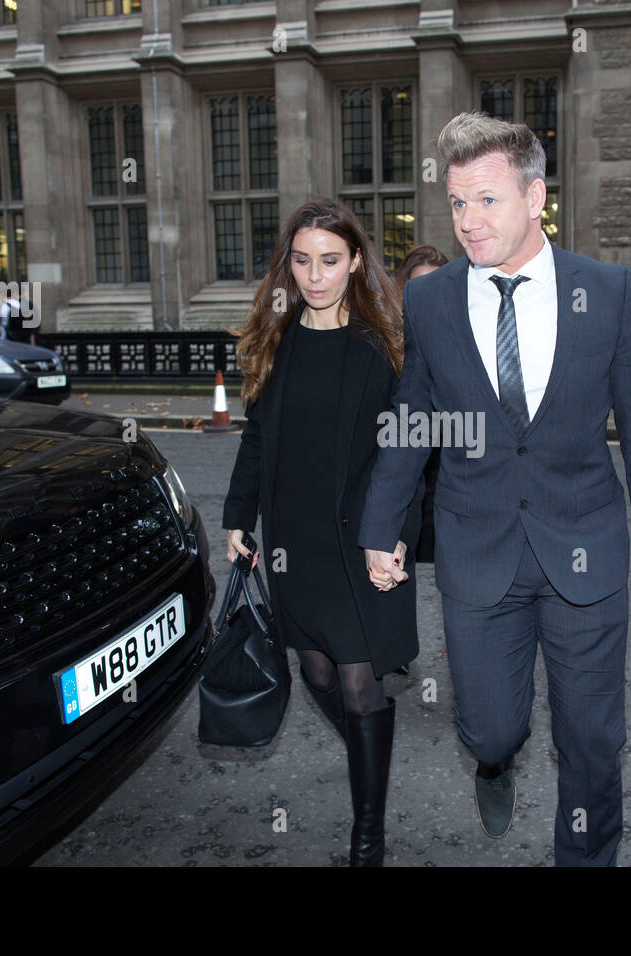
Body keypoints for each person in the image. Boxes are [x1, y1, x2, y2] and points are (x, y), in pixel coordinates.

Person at [360, 112, 631, 866]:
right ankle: (496, 760)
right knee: (492, 727)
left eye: (487, 201)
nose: (469, 222)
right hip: (480, 552)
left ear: (535, 196)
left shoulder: (604, 292)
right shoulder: (433, 300)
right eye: (459, 205)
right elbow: (413, 418)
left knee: (594, 743)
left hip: (585, 550)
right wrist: (385, 525)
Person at [222, 199, 423, 867]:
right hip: (293, 539)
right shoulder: (273, 344)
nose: (315, 275)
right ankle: (375, 749)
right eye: (302, 260)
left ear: (356, 262)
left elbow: (409, 452)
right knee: (314, 668)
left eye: (330, 261)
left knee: (361, 681)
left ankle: (369, 837)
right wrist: (235, 517)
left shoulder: (380, 347)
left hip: (362, 535)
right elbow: (255, 441)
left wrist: (397, 534)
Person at [393, 245, 450, 565]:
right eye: (418, 287)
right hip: (405, 474)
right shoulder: (390, 344)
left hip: (448, 473)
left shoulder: (465, 339)